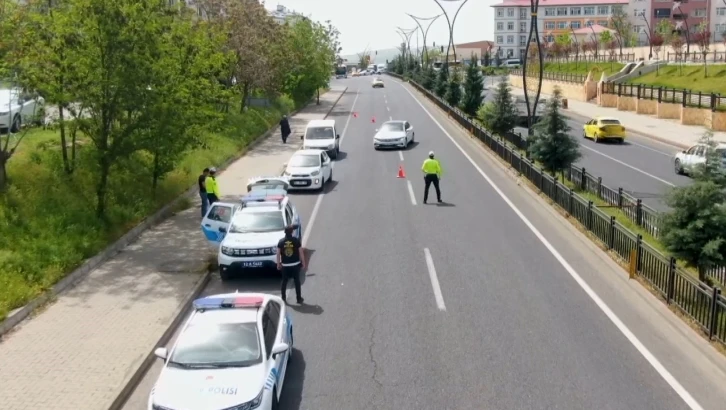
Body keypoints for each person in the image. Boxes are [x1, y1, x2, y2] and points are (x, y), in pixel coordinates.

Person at [276, 225, 306, 304]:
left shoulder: (281, 242)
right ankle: (298, 298)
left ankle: (283, 298)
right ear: (292, 232)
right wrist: (303, 262)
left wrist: (278, 263)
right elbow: (301, 252)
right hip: (295, 265)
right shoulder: (296, 241)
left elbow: (278, 254)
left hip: (285, 265)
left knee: (284, 281)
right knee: (297, 281)